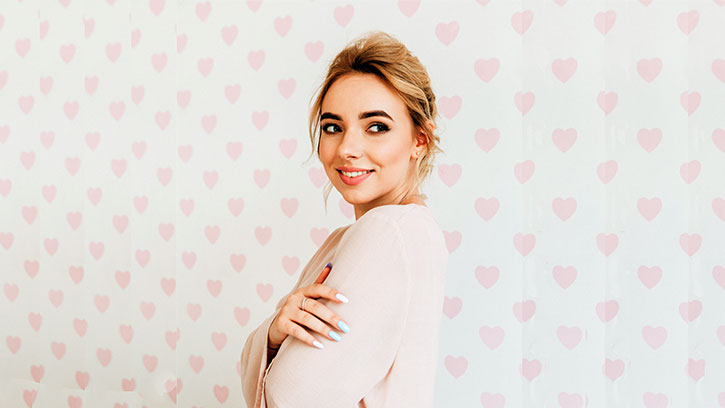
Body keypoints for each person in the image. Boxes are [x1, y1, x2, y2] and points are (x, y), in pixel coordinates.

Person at [240, 30, 448, 408]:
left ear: (420, 138)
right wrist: (274, 333)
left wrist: (273, 346)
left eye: (376, 126)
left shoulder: (388, 232)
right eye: (333, 127)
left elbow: (291, 394)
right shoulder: (371, 235)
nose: (348, 148)